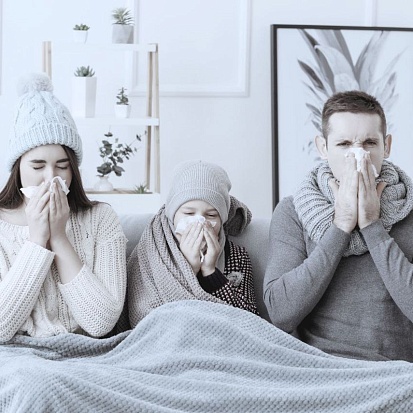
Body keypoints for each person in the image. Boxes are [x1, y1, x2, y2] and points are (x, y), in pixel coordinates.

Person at [264, 90, 413, 362]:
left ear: (387, 146)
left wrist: (372, 225)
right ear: (323, 147)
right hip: (319, 367)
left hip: (396, 370)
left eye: (369, 143)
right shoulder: (293, 211)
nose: (358, 155)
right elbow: (280, 313)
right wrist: (342, 224)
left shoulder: (409, 209)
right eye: (344, 144)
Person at [0, 73, 127, 342]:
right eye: (38, 166)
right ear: (17, 168)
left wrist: (58, 237)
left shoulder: (101, 218)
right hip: (19, 355)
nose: (51, 178)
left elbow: (101, 323)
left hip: (89, 352)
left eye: (62, 166)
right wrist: (37, 240)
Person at [127, 160, 259, 326]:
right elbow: (142, 316)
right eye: (189, 213)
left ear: (222, 219)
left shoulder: (236, 256)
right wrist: (189, 269)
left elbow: (250, 319)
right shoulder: (153, 250)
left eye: (211, 215)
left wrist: (211, 272)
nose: (199, 222)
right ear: (173, 214)